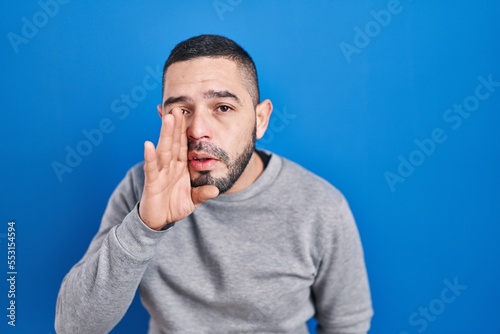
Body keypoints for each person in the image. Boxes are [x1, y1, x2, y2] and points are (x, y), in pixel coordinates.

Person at [55, 34, 373, 334]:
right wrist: (145, 226)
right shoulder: (140, 189)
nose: (197, 130)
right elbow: (74, 327)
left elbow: (347, 324)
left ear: (260, 119)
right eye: (181, 111)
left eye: (223, 107)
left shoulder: (321, 206)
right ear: (162, 117)